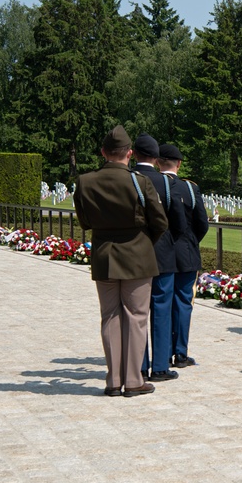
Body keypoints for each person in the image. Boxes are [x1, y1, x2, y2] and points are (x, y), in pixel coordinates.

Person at [73, 125, 168, 397]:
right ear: (129, 153)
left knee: (110, 317)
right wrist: (143, 241)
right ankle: (133, 379)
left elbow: (84, 221)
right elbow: (160, 222)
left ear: (103, 153)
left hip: (104, 255)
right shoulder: (141, 181)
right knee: (136, 317)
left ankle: (113, 380)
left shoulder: (85, 181)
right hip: (137, 255)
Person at [132, 134, 183, 383]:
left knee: (138, 311)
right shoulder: (164, 183)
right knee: (161, 309)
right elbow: (178, 222)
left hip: (136, 253)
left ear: (135, 154)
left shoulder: (130, 179)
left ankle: (140, 366)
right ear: (155, 157)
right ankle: (160, 366)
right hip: (162, 253)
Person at [158, 144, 209, 367]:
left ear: (158, 162)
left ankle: (163, 353)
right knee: (183, 302)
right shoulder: (190, 188)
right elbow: (202, 224)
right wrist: (189, 242)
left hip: (159, 253)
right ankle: (180, 353)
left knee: (162, 303)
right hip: (186, 252)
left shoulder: (151, 184)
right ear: (179, 163)